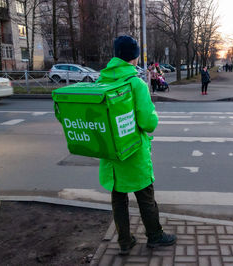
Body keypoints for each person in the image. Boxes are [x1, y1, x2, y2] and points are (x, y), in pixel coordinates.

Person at [96, 35, 176, 256]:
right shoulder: (136, 83)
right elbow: (148, 123)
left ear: (115, 54)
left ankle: (124, 241)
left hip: (111, 154)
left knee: (118, 199)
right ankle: (155, 236)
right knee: (145, 196)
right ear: (135, 56)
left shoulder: (101, 81)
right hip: (133, 153)